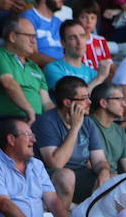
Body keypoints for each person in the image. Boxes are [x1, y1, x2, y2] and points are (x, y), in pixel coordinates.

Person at [33, 76, 111, 206]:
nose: (89, 102)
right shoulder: (47, 122)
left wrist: (104, 172)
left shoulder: (88, 122)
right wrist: (75, 128)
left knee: (114, 180)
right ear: (67, 103)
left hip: (80, 175)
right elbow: (56, 163)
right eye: (84, 98)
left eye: (89, 97)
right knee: (66, 176)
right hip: (51, 178)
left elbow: (99, 160)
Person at [0, 17, 53, 122]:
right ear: (13, 37)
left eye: (35, 37)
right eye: (29, 36)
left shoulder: (35, 66)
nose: (34, 41)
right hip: (7, 119)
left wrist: (62, 117)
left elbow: (46, 102)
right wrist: (29, 110)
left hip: (34, 120)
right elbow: (9, 84)